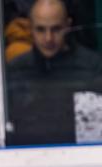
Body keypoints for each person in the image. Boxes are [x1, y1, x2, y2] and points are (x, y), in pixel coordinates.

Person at [7, 0, 102, 143]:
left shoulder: (93, 67)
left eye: (56, 29)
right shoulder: (16, 70)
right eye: (40, 29)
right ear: (30, 28)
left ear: (68, 26)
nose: (48, 38)